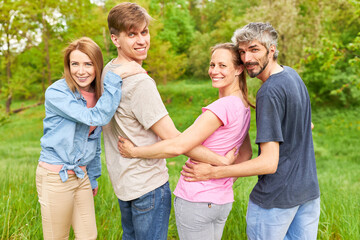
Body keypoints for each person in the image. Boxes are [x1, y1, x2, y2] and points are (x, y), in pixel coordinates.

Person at [102, 3, 236, 240]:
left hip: (124, 185)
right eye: (132, 34)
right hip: (147, 188)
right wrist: (220, 161)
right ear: (115, 39)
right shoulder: (140, 83)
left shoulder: (109, 72)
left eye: (144, 32)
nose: (142, 40)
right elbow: (175, 140)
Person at [181, 22, 321, 240]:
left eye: (254, 50)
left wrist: (213, 172)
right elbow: (307, 125)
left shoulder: (268, 92)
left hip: (276, 200)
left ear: (272, 49)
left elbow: (268, 163)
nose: (247, 59)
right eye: (243, 51)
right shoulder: (292, 76)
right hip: (308, 194)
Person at [117, 42, 254, 240]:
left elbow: (178, 145)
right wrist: (222, 178)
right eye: (212, 64)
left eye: (222, 66)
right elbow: (245, 154)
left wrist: (135, 151)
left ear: (239, 69)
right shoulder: (243, 105)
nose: (214, 71)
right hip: (221, 201)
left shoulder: (222, 107)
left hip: (196, 199)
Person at [36, 37, 144, 240]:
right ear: (68, 67)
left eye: (88, 64)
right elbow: (95, 117)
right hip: (56, 177)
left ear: (97, 66)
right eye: (74, 64)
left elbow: (93, 140)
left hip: (81, 176)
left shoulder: (98, 94)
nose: (81, 71)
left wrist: (93, 176)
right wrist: (116, 76)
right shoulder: (57, 92)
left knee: (88, 236)